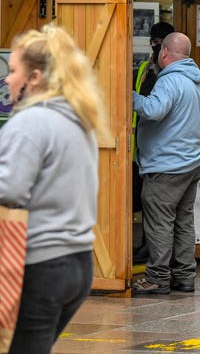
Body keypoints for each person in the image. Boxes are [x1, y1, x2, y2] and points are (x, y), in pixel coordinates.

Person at [0, 24, 108, 353]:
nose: (7, 78)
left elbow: (10, 189)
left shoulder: (31, 122)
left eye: (13, 70)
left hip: (38, 264)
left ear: (34, 77)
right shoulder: (77, 119)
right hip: (76, 265)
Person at [132, 32, 200, 294]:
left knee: (160, 222)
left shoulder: (170, 81)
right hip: (192, 163)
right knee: (183, 222)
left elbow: (154, 110)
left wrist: (129, 97)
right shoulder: (199, 82)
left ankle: (157, 277)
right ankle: (184, 276)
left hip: (166, 165)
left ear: (165, 52)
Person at [132, 21, 175, 264]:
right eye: (153, 41)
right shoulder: (145, 68)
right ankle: (145, 244)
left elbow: (153, 108)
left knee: (156, 205)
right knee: (141, 199)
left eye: (159, 42)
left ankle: (155, 255)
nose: (155, 46)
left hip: (159, 149)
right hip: (138, 144)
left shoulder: (170, 73)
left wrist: (132, 99)